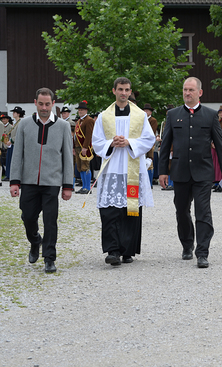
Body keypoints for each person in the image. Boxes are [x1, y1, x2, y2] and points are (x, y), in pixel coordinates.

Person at [158, 77, 222, 269]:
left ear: (200, 92)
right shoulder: (173, 115)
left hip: (203, 172)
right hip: (180, 171)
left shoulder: (210, 115)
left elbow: (220, 145)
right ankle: (186, 244)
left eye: (191, 90)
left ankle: (202, 252)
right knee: (182, 212)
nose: (187, 93)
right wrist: (162, 172)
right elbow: (165, 145)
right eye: (184, 89)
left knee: (203, 211)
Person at [92, 77, 155, 266]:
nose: (123, 93)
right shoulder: (104, 116)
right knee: (110, 210)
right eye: (120, 89)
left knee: (131, 211)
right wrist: (111, 143)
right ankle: (113, 250)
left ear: (130, 91)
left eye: (127, 90)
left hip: (132, 169)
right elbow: (96, 141)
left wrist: (129, 142)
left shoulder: (140, 116)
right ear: (113, 91)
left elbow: (148, 139)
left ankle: (128, 250)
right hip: (112, 169)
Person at [9, 88, 73, 273]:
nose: (44, 107)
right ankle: (35, 240)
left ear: (53, 104)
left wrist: (67, 185)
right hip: (28, 181)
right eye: (41, 104)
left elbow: (68, 157)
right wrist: (15, 181)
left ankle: (49, 258)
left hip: (52, 182)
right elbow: (17, 154)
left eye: (47, 104)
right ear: (35, 102)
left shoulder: (62, 126)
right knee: (27, 216)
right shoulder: (24, 124)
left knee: (50, 220)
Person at [74, 101, 95, 194]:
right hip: (78, 147)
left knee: (85, 166)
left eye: (82, 110)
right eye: (79, 110)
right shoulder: (79, 121)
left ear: (86, 110)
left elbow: (89, 135)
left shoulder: (89, 120)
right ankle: (83, 186)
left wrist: (85, 147)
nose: (80, 111)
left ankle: (87, 187)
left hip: (84, 147)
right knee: (80, 167)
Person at [4, 106, 25, 182]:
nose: (13, 114)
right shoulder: (16, 123)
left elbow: (19, 135)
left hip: (16, 144)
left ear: (18, 114)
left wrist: (12, 141)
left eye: (14, 112)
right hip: (12, 144)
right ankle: (9, 175)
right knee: (10, 160)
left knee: (15, 161)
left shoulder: (20, 123)